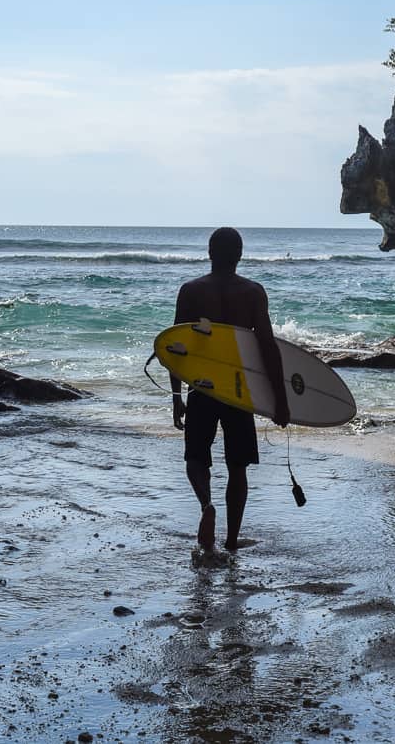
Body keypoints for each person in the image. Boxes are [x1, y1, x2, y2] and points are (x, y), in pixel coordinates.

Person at [170, 227, 290, 553]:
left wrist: (176, 396)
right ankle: (233, 541)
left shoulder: (191, 291)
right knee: (238, 466)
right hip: (238, 388)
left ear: (209, 253)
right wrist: (280, 400)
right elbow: (267, 347)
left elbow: (177, 347)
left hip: (201, 386)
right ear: (240, 255)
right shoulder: (252, 293)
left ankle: (206, 505)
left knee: (196, 457)